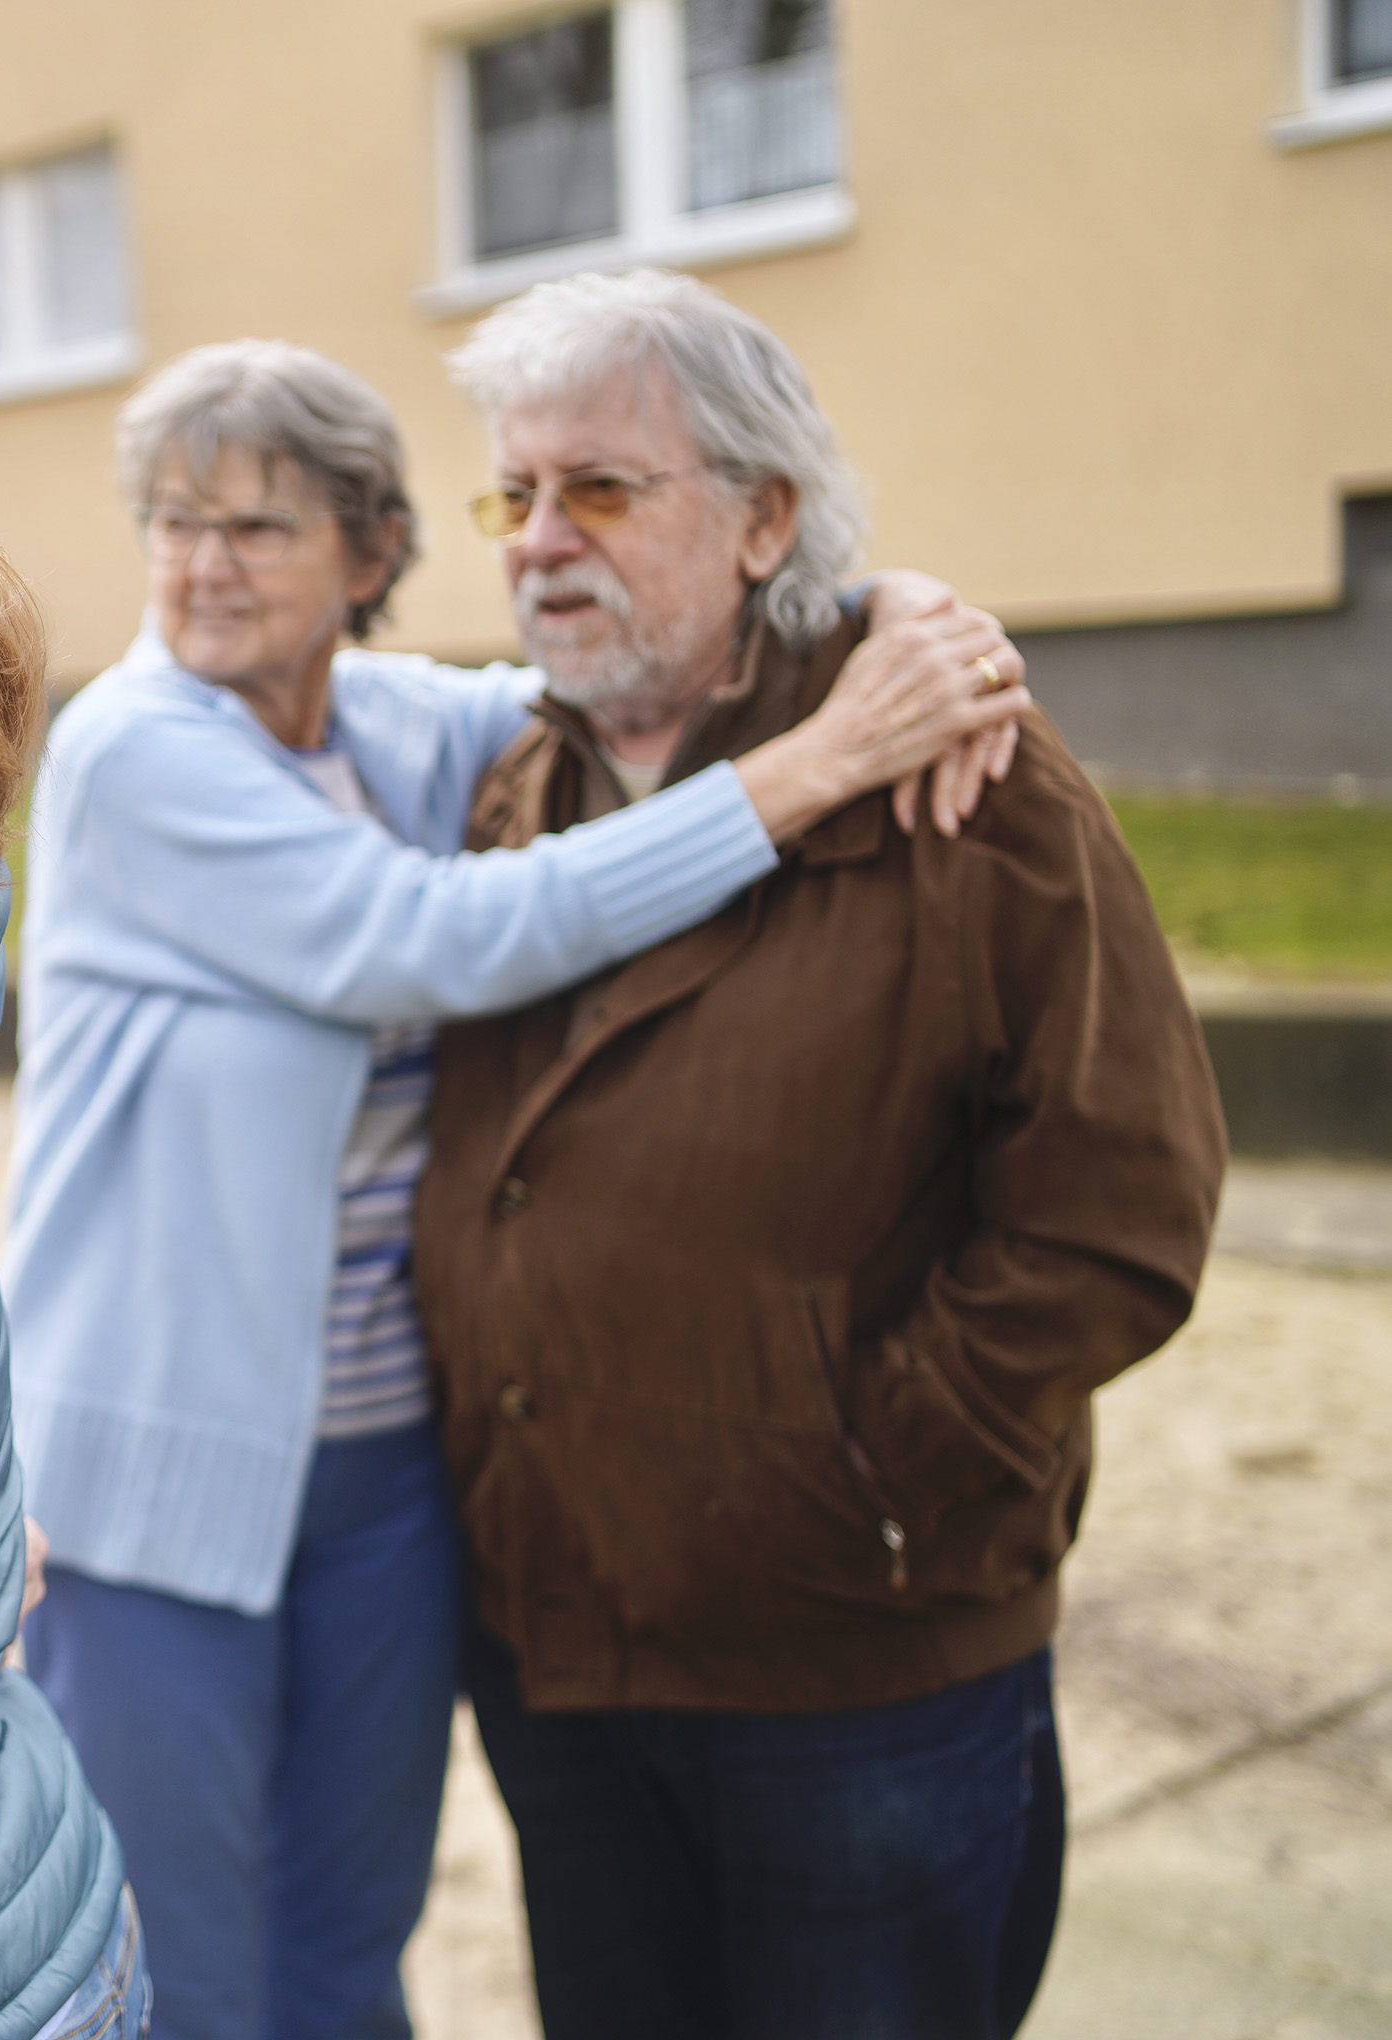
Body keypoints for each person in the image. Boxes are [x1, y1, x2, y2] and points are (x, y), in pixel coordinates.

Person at [5, 337, 1034, 2040]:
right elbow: (442, 937)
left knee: (351, 1944)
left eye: (255, 528)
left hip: (392, 1478)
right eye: (168, 523)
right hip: (153, 1489)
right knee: (174, 1966)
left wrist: (898, 613)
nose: (198, 564)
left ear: (371, 552)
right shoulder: (131, 750)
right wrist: (820, 765)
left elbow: (679, 675)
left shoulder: (421, 729)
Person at [412, 269, 1226, 2038]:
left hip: (854, 1663)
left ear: (765, 514)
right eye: (514, 496)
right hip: (560, 1655)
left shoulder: (967, 784)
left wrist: (871, 1471)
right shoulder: (503, 792)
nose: (541, 541)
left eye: (602, 490)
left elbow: (1124, 1204)